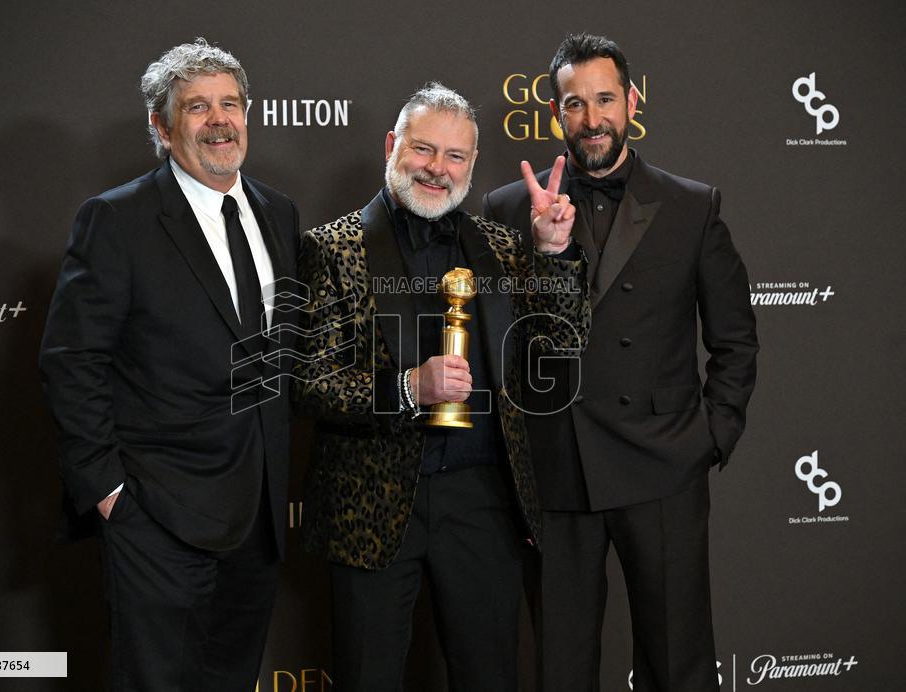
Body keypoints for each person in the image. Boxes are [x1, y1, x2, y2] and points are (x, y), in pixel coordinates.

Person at [483, 33, 758, 692]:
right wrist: (542, 254)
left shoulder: (693, 206)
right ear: (555, 115)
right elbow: (505, 349)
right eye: (575, 104)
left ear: (632, 102)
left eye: (605, 99)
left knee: (679, 665)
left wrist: (709, 439)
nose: (592, 118)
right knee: (562, 668)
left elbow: (735, 340)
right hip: (559, 475)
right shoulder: (506, 209)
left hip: (663, 467)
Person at [293, 82, 589, 692]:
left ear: (473, 165)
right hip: (371, 506)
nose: (437, 168)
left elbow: (558, 348)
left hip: (482, 502)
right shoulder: (334, 247)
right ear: (391, 146)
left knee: (489, 677)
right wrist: (406, 388)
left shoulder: (505, 248)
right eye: (424, 149)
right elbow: (310, 382)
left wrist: (555, 253)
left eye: (455, 157)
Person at [39, 38, 300, 691]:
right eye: (196, 107)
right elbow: (72, 362)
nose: (219, 120)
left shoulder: (278, 214)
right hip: (158, 516)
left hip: (257, 520)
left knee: (231, 680)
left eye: (230, 104)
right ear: (160, 127)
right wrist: (110, 496)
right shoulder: (117, 219)